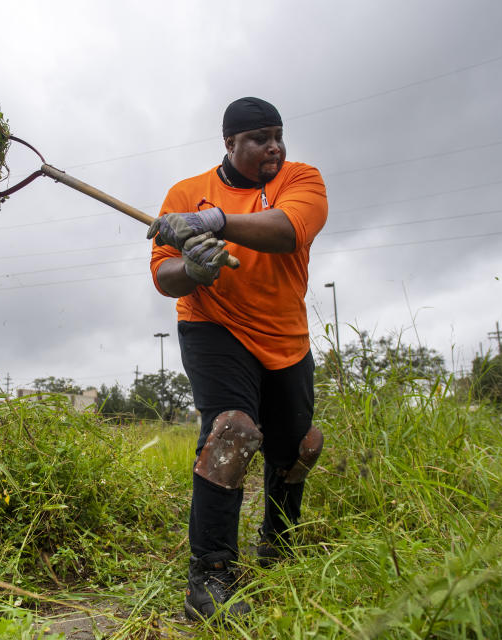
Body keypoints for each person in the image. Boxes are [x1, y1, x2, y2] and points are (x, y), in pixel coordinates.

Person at [147, 97, 328, 623]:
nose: (274, 147)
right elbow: (163, 276)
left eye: (278, 135)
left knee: (298, 447)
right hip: (213, 326)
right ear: (229, 143)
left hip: (285, 334)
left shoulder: (302, 179)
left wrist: (216, 222)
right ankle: (209, 578)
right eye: (259, 138)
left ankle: (278, 543)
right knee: (233, 431)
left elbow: (290, 230)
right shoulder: (185, 194)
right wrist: (194, 271)